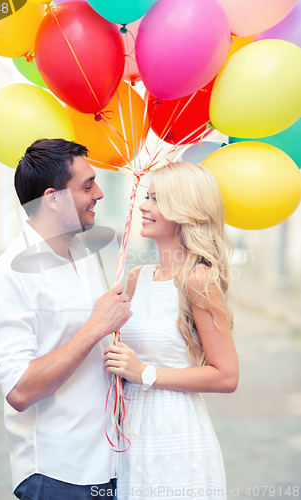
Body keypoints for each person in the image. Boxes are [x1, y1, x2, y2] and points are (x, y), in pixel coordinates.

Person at [0, 139, 132, 499]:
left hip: (110, 464)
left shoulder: (85, 254)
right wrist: (96, 326)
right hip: (57, 473)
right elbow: (19, 390)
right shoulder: (8, 276)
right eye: (87, 185)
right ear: (52, 198)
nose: (99, 194)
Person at [104, 161, 239, 500]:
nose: (143, 206)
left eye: (156, 199)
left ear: (185, 210)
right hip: (129, 431)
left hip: (174, 429)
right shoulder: (136, 278)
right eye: (147, 196)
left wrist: (145, 373)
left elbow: (226, 376)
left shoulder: (197, 280)